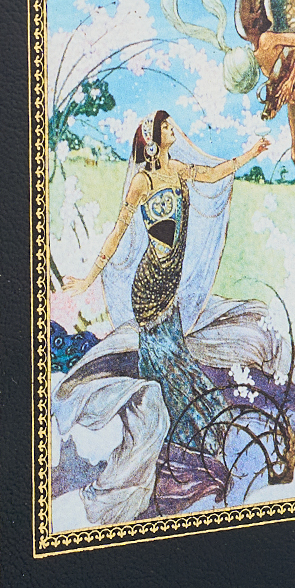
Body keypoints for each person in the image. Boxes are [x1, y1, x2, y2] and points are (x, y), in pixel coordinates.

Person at [62, 110, 268, 456]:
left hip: (169, 284)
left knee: (175, 357)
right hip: (148, 289)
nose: (174, 130)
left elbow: (213, 174)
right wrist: (87, 280)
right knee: (169, 361)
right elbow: (118, 232)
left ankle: (189, 429)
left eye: (172, 125)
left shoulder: (178, 170)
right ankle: (183, 433)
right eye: (167, 127)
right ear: (153, 140)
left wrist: (251, 153)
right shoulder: (142, 181)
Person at [236, 0, 295, 258]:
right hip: (291, 86)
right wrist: (274, 102)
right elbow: (278, 76)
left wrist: (289, 81)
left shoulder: (268, 39)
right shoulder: (255, 54)